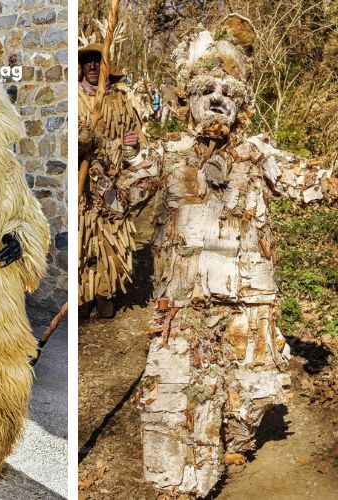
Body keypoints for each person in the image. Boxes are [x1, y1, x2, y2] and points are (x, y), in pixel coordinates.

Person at [100, 14, 338, 496]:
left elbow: (310, 181)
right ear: (188, 100)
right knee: (175, 396)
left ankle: (237, 440)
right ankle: (185, 483)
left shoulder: (257, 153)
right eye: (206, 91)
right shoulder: (168, 153)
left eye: (228, 93)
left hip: (248, 298)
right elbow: (116, 202)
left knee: (249, 391)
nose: (216, 100)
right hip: (182, 301)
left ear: (241, 106)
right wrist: (104, 159)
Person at [78, 42, 147, 319]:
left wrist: (131, 144)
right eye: (88, 61)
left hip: (112, 184)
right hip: (83, 185)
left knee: (112, 239)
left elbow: (136, 144)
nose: (93, 65)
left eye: (98, 61)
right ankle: (83, 295)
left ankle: (105, 293)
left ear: (107, 68)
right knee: (83, 241)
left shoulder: (120, 102)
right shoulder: (74, 99)